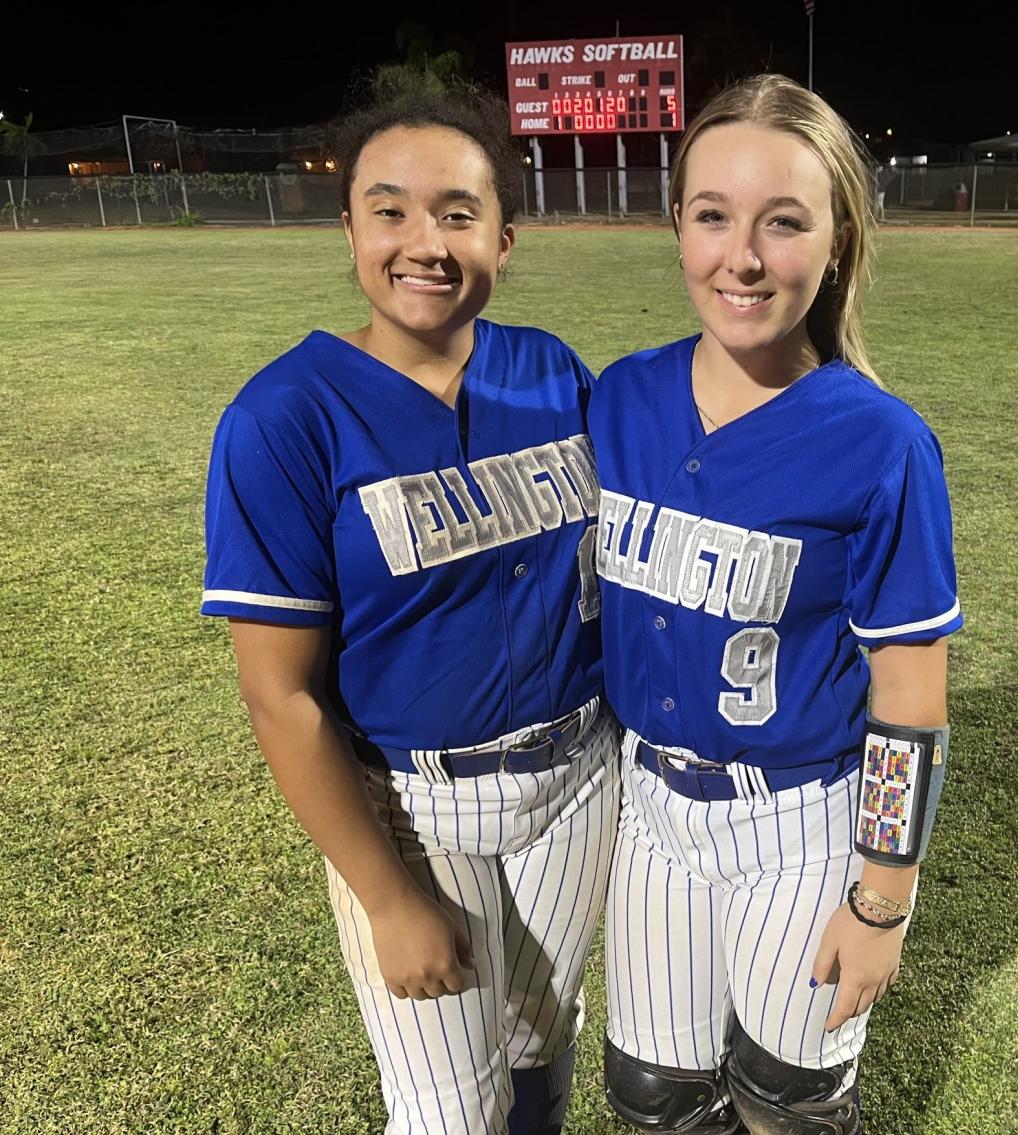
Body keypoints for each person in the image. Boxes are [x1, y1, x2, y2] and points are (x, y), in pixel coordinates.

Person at [201, 88, 619, 1135]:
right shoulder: (284, 417)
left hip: (577, 782)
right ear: (348, 229)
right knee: (444, 1112)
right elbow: (280, 695)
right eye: (389, 211)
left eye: (458, 213)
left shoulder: (550, 370)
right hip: (416, 809)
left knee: (539, 1040)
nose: (424, 242)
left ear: (505, 240)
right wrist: (387, 896)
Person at [589, 74, 963, 1135]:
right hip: (652, 814)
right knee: (654, 1103)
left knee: (785, 1104)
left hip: (800, 823)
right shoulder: (618, 399)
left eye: (783, 222)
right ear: (676, 225)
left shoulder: (880, 441)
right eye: (712, 216)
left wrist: (883, 893)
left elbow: (910, 690)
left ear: (837, 239)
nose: (741, 257)